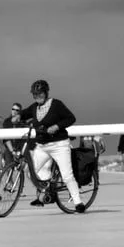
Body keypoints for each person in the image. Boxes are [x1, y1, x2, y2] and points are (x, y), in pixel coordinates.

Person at [19, 80, 86, 213]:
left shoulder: (56, 104)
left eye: (40, 93)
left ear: (46, 92)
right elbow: (23, 114)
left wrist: (57, 126)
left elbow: (71, 118)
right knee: (30, 170)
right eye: (35, 94)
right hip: (42, 146)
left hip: (59, 145)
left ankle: (78, 202)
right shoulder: (34, 107)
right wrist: (16, 116)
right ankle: (48, 190)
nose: (38, 96)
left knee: (67, 175)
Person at [1, 101, 28, 166]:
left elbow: (25, 138)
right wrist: (12, 151)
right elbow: (6, 138)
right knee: (9, 168)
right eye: (13, 109)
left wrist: (20, 151)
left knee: (21, 169)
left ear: (19, 112)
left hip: (21, 150)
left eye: (17, 110)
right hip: (9, 150)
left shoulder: (23, 122)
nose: (14, 111)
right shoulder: (6, 121)